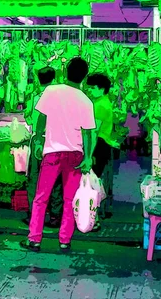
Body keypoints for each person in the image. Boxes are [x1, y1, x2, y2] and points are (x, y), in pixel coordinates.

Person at [21, 57, 96, 253]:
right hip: (75, 156)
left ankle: (34, 239)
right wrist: (88, 157)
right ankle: (64, 240)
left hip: (52, 153)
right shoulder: (86, 101)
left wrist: (38, 139)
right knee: (69, 199)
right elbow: (87, 133)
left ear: (64, 72)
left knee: (41, 197)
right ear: (85, 77)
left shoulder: (51, 91)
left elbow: (41, 118)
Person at [23, 66, 63, 227]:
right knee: (55, 180)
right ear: (54, 80)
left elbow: (29, 119)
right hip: (54, 142)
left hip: (38, 141)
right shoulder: (60, 99)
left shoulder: (34, 98)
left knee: (34, 179)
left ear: (38, 79)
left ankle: (35, 214)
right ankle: (55, 217)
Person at [85, 73, 115, 227]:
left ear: (101, 89)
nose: (89, 90)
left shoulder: (100, 105)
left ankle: (93, 219)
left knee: (91, 183)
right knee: (93, 182)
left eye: (92, 87)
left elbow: (93, 131)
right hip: (102, 145)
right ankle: (91, 217)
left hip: (98, 145)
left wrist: (88, 155)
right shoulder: (103, 102)